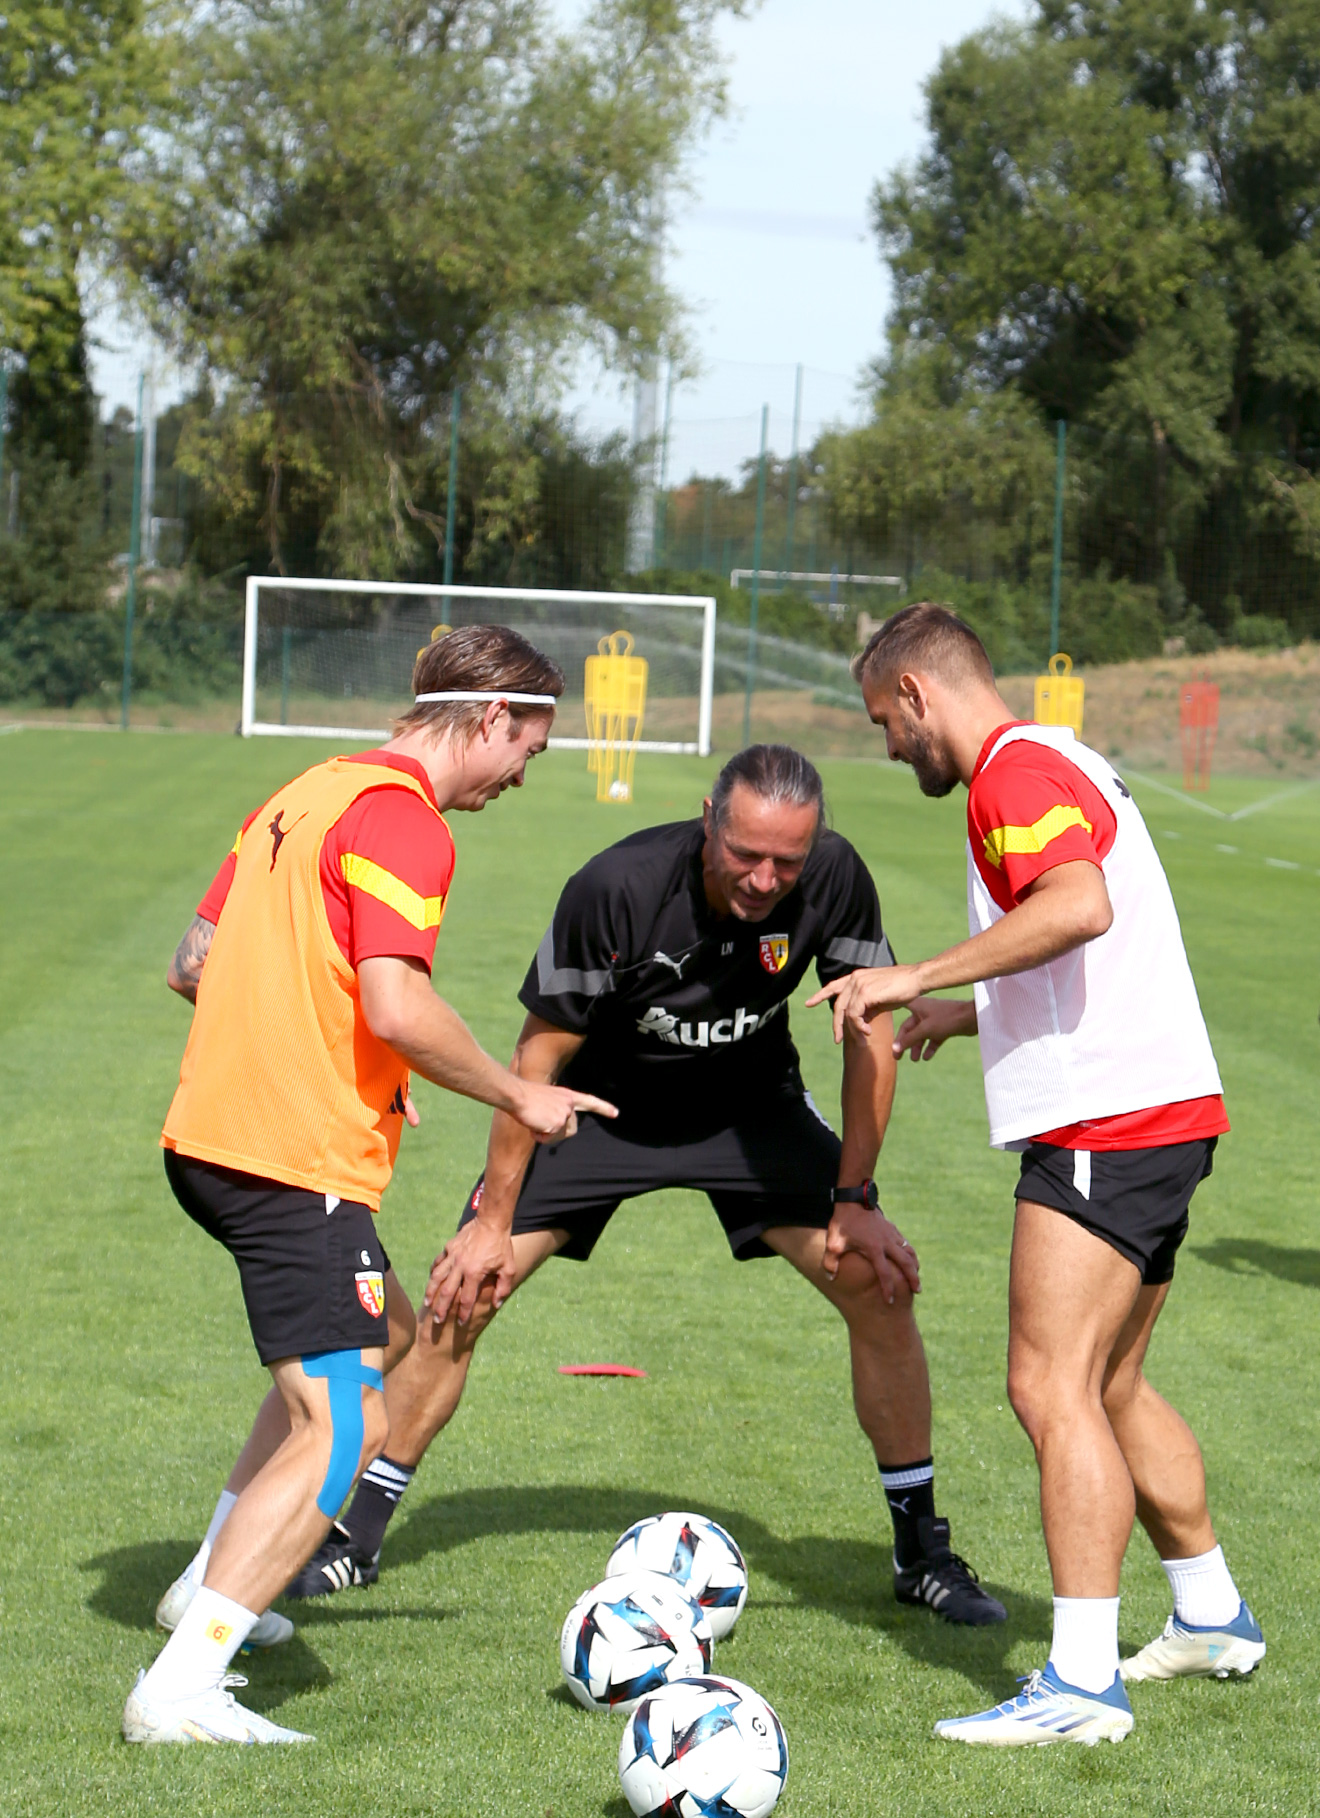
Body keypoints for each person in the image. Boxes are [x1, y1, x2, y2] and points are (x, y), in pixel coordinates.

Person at [287, 742, 1008, 1627]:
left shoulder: (833, 876)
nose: (766, 878)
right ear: (709, 821)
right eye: (746, 854)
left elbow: (870, 1033)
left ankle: (919, 1550)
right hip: (599, 1103)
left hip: (750, 1109)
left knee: (877, 1285)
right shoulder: (617, 886)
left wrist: (856, 1201)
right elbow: (536, 1058)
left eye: (787, 860)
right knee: (462, 1294)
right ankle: (354, 1536)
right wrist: (492, 1218)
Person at [125, 624, 615, 1746]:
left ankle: (208, 1575)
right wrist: (515, 1094)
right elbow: (395, 1006)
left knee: (386, 1332)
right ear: (490, 717)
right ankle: (183, 1683)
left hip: (212, 1134)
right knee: (346, 1424)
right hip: (286, 1155)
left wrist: (311, 1043)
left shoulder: (304, 792)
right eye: (528, 750)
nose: (522, 776)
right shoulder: (404, 820)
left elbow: (192, 963)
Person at [811, 602, 1263, 1747]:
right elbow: (1085, 941)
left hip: (1106, 1124)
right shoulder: (1063, 755)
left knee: (1046, 1386)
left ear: (918, 694)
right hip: (1164, 1109)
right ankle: (1210, 1612)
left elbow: (1078, 906)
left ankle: (1077, 1682)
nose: (887, 745)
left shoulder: (1009, 777)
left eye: (883, 722)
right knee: (1108, 1383)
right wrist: (967, 1015)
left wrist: (912, 975)